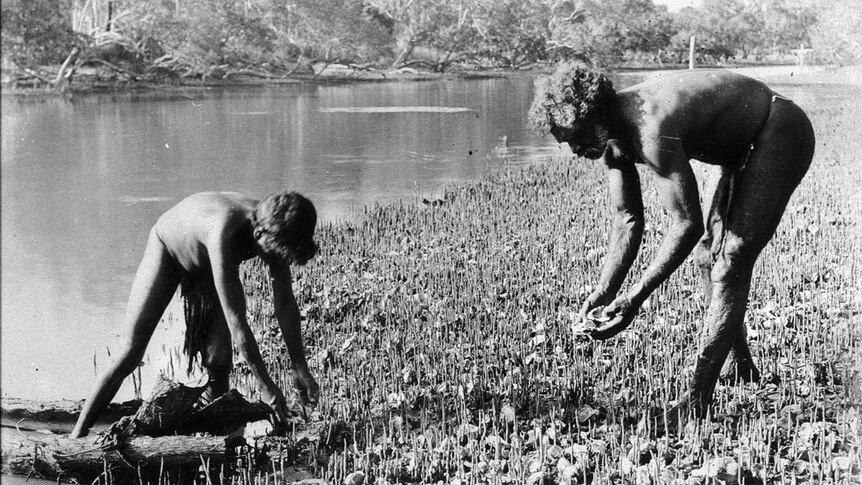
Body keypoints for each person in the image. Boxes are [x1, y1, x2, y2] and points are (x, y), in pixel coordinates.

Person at [529, 64, 814, 425]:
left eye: (573, 136)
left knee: (730, 261)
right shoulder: (611, 140)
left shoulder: (650, 126)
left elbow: (686, 223)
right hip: (737, 146)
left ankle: (697, 398)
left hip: (779, 129)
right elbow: (628, 221)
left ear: (593, 115)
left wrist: (634, 299)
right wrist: (604, 291)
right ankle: (740, 365)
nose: (572, 149)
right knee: (705, 259)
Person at [71, 191, 320, 438]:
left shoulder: (275, 227)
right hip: (168, 248)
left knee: (219, 361)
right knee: (130, 353)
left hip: (209, 262)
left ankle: (220, 438)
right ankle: (78, 435)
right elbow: (238, 323)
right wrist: (266, 387)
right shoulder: (224, 230)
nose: (276, 262)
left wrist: (301, 368)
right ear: (258, 234)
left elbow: (285, 303)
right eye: (274, 255)